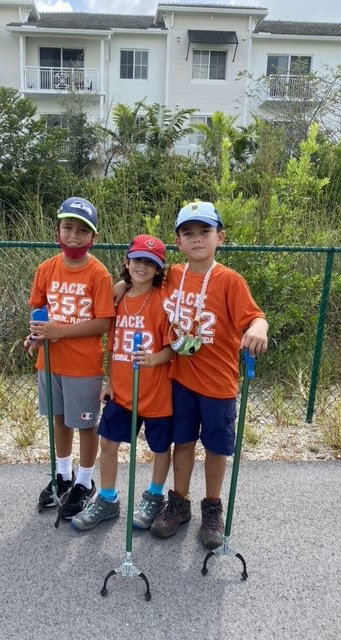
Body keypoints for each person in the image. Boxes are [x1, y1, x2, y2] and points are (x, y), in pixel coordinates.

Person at [148, 202, 268, 549]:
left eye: (204, 232)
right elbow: (137, 279)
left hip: (218, 384)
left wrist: (259, 330)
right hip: (181, 378)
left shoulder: (229, 280)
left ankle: (212, 507)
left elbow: (255, 318)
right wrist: (120, 290)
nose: (197, 239)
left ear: (220, 237)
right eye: (189, 233)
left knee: (216, 447)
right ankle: (179, 503)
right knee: (181, 442)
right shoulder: (170, 275)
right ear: (178, 240)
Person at [71, 235, 175, 531]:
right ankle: (107, 499)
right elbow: (112, 344)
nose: (142, 267)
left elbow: (173, 347)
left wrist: (154, 359)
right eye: (137, 260)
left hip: (156, 390)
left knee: (159, 447)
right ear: (126, 263)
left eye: (150, 263)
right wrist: (108, 380)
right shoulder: (116, 299)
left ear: (158, 270)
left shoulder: (163, 301)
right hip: (121, 389)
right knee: (108, 443)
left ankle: (154, 496)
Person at [26, 197, 115, 520]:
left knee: (85, 424)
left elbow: (104, 322)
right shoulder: (46, 269)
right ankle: (62, 475)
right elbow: (39, 312)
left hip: (82, 364)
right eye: (68, 228)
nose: (74, 236)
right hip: (50, 362)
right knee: (59, 420)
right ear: (57, 231)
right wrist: (36, 335)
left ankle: (84, 481)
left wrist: (59, 331)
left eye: (82, 230)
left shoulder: (98, 274)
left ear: (93, 237)